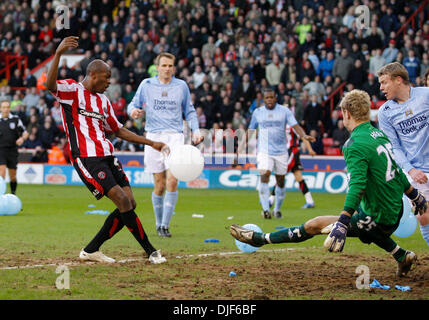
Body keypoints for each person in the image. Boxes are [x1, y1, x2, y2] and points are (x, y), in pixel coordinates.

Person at [231, 89, 427, 277]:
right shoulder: (380, 135)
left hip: (378, 215)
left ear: (346, 113)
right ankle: (402, 255)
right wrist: (414, 195)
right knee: (363, 223)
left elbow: (357, 186)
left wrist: (342, 221)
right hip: (393, 210)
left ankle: (259, 239)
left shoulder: (354, 144)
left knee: (315, 225)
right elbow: (397, 173)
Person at [47, 36, 167, 264]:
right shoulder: (72, 90)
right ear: (93, 75)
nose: (110, 82)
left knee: (130, 203)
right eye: (107, 77)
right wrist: (58, 53)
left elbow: (118, 130)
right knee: (122, 201)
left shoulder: (102, 100)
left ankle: (91, 249)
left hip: (108, 156)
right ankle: (151, 251)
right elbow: (49, 85)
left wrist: (151, 143)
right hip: (87, 158)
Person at [127, 52, 203, 237]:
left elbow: (190, 111)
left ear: (174, 68)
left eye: (170, 66)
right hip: (153, 138)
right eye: (164, 65)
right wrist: (133, 112)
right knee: (159, 185)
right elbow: (132, 104)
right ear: (157, 67)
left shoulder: (181, 86)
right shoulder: (146, 85)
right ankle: (158, 223)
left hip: (175, 137)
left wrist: (196, 130)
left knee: (172, 180)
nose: (167, 69)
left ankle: (165, 225)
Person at [377, 62, 429, 246]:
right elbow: (394, 147)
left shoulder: (425, 95)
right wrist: (410, 169)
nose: (381, 88)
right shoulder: (385, 112)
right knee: (424, 218)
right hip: (416, 171)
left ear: (398, 80)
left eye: (384, 82)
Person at [247, 88, 314, 219]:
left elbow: (296, 126)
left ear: (276, 98)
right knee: (265, 174)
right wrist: (239, 149)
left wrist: (304, 136)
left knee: (280, 181)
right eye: (267, 98)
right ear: (264, 99)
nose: (270, 100)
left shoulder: (284, 111)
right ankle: (266, 209)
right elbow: (250, 130)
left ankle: (277, 209)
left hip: (281, 152)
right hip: (264, 151)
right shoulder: (258, 112)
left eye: (272, 97)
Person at [269, 125, 316, 210]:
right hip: (287, 152)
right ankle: (310, 201)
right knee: (298, 177)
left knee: (280, 174)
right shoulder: (281, 125)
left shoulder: (292, 126)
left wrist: (310, 149)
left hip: (292, 152)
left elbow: (303, 137)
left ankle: (270, 200)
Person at [0, 100, 29, 194]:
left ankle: (13, 193)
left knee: (12, 175)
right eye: (3, 107)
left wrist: (22, 139)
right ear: (0, 109)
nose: (5, 109)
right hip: (1, 150)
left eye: (7, 107)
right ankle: (2, 195)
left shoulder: (16, 119)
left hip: (12, 150)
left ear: (10, 108)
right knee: (2, 173)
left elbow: (25, 133)